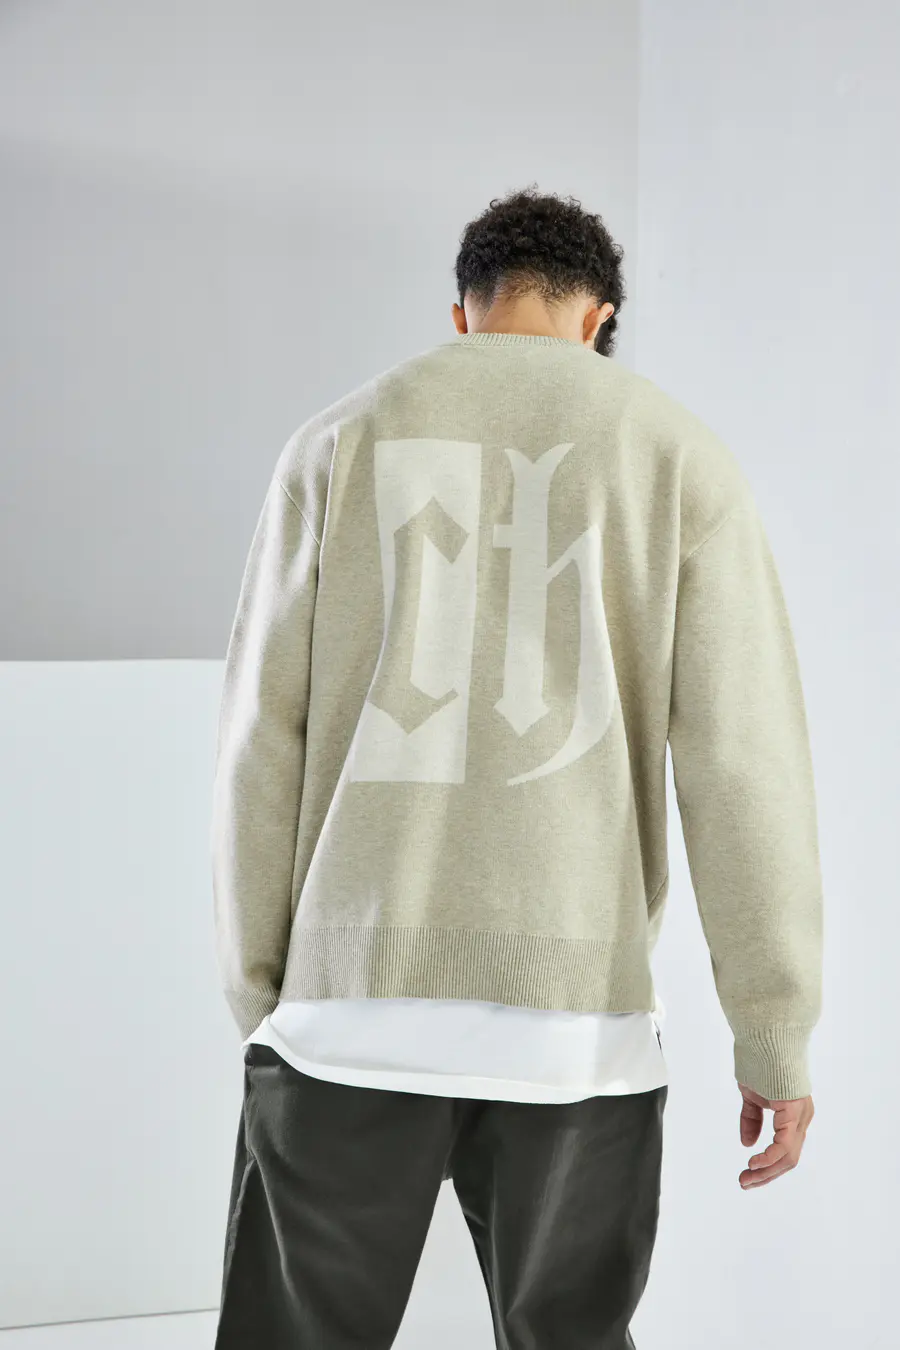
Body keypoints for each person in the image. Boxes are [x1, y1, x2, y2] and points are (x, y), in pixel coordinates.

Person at [209, 185, 823, 1349]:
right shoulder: (680, 458)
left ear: (463, 314)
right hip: (574, 1029)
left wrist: (265, 992)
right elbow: (745, 772)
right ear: (600, 318)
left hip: (353, 1006)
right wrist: (773, 1032)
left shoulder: (336, 443)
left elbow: (259, 739)